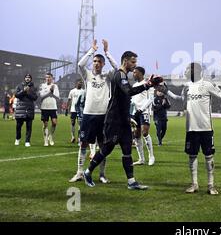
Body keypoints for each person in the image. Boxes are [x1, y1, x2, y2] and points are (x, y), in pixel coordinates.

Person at [83, 51, 162, 190]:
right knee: (106, 149)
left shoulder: (124, 75)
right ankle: (87, 172)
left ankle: (131, 182)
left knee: (127, 150)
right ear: (125, 61)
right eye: (133, 62)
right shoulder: (119, 75)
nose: (134, 65)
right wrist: (148, 84)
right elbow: (129, 91)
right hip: (114, 120)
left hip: (123, 120)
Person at [168, 62, 221, 195]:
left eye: (188, 69)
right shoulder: (186, 86)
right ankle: (194, 184)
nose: (186, 71)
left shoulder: (207, 84)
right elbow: (182, 100)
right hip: (191, 128)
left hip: (205, 127)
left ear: (196, 71)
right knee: (192, 156)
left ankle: (211, 185)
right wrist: (167, 92)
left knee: (208, 156)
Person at [69, 39, 117, 184]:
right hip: (88, 115)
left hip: (103, 116)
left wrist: (107, 52)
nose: (96, 63)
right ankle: (79, 172)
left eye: (98, 61)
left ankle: (102, 174)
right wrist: (92, 50)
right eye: (94, 61)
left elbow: (117, 68)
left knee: (103, 146)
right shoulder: (88, 75)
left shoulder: (107, 76)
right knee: (83, 144)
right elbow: (80, 64)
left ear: (103, 64)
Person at [130, 66, 155, 166]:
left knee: (145, 133)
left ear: (140, 73)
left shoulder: (148, 85)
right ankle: (141, 159)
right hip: (135, 113)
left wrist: (141, 109)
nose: (133, 74)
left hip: (144, 112)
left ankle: (151, 156)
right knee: (136, 135)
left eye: (135, 72)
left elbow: (150, 99)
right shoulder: (135, 85)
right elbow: (133, 99)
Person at [14, 74, 38, 146]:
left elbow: (35, 97)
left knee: (29, 126)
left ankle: (27, 141)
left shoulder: (34, 87)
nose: (27, 78)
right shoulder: (19, 86)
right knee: (18, 126)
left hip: (29, 109)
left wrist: (27, 93)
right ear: (24, 78)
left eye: (29, 77)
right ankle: (17, 138)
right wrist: (23, 91)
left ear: (31, 79)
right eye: (26, 77)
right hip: (20, 109)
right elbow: (16, 95)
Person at [39, 72, 60, 146]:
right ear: (45, 78)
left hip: (53, 107)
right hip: (44, 107)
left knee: (54, 123)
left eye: (49, 77)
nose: (48, 78)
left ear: (52, 78)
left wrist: (53, 91)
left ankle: (50, 136)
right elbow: (41, 95)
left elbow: (57, 96)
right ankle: (45, 140)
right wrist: (49, 91)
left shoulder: (55, 86)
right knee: (45, 125)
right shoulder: (42, 85)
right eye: (47, 77)